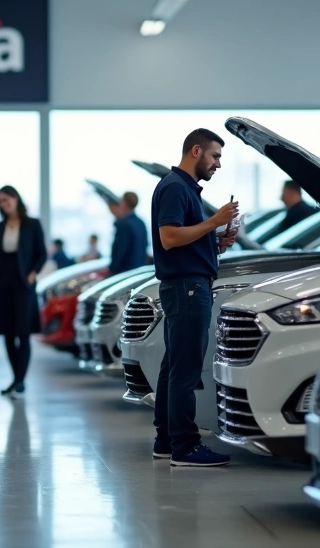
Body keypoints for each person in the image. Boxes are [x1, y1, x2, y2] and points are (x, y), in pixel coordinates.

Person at [150, 128, 239, 468]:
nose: (217, 163)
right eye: (215, 156)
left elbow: (182, 239)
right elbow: (170, 237)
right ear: (196, 151)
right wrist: (215, 220)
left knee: (173, 366)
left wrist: (214, 241)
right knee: (185, 371)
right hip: (188, 288)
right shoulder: (175, 188)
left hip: (185, 285)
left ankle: (166, 439)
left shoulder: (183, 189)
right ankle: (185, 446)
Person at [0, 186, 47, 398]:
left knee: (23, 332)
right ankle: (15, 379)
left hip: (24, 283)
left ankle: (20, 381)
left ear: (15, 199)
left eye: (6, 200)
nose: (3, 205)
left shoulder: (32, 224)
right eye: (0, 202)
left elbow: (42, 254)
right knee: (7, 333)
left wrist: (32, 274)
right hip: (3, 282)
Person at [109, 191, 149, 275]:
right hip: (139, 272)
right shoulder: (141, 223)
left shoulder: (124, 225)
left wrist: (112, 270)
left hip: (124, 274)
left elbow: (120, 252)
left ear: (124, 203)